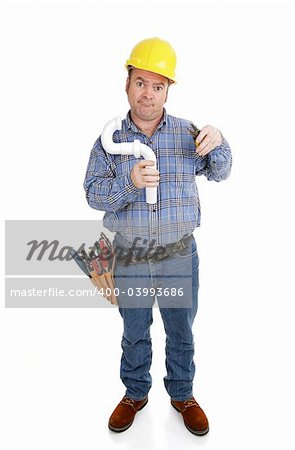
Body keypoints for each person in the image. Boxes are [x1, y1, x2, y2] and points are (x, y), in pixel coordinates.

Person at [84, 37, 232, 436]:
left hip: (179, 254)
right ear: (127, 83)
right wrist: (130, 183)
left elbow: (220, 171)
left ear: (168, 89)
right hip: (130, 254)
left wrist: (219, 142)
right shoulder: (108, 140)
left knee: (181, 329)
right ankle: (135, 393)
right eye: (140, 82)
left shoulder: (188, 133)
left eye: (157, 85)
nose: (147, 94)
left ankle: (183, 394)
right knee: (134, 330)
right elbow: (93, 195)